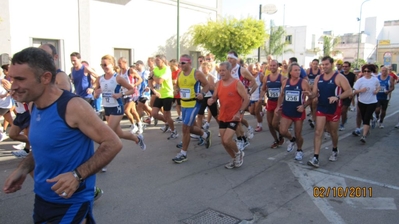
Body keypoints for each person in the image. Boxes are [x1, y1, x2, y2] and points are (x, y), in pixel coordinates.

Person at [3, 47, 123, 223]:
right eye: (13, 79)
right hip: (43, 198)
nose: (13, 86)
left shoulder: (73, 106)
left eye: (20, 79)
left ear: (45, 78)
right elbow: (43, 148)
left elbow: (113, 143)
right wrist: (23, 168)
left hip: (70, 202)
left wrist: (77, 175)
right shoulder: (35, 104)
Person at [305, 56, 352, 168]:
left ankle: (335, 149)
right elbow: (315, 93)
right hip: (321, 107)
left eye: (326, 64)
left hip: (334, 108)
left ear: (332, 64)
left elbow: (349, 91)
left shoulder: (339, 77)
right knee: (318, 132)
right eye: (323, 64)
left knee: (333, 132)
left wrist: (338, 97)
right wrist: (309, 94)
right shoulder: (318, 78)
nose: (324, 66)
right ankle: (315, 157)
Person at [94, 55, 146, 153]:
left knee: (107, 133)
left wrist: (121, 94)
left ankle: (103, 159)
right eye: (102, 65)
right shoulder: (100, 78)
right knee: (120, 133)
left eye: (105, 65)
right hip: (107, 108)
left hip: (117, 108)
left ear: (112, 65)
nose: (104, 67)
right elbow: (96, 94)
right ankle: (137, 138)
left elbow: (131, 89)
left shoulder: (117, 78)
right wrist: (96, 94)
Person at [208, 62, 249, 169]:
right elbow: (215, 96)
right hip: (223, 115)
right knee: (223, 142)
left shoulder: (237, 83)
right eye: (220, 70)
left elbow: (246, 99)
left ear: (230, 71)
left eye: (223, 70)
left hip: (234, 116)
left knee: (227, 139)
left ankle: (239, 153)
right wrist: (211, 100)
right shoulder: (218, 83)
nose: (221, 72)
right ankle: (234, 158)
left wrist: (239, 112)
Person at [172, 54, 211, 163]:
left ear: (189, 63)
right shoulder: (180, 74)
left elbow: (207, 85)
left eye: (183, 63)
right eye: (180, 63)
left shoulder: (196, 73)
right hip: (184, 104)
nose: (180, 65)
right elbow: (178, 86)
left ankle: (183, 153)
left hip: (194, 104)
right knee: (190, 128)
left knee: (185, 128)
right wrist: (176, 90)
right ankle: (205, 134)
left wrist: (202, 93)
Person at [276, 62, 311, 160]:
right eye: (295, 70)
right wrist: (278, 106)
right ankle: (292, 139)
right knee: (282, 131)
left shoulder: (303, 82)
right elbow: (281, 95)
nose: (298, 72)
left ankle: (299, 150)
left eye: (299, 70)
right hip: (287, 111)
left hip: (298, 112)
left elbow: (311, 97)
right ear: (290, 72)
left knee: (298, 133)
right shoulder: (285, 82)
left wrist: (304, 106)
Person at [149, 55, 178, 139]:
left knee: (167, 115)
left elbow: (160, 80)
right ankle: (167, 123)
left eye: (158, 60)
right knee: (154, 113)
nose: (156, 61)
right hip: (159, 94)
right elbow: (150, 81)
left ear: (163, 61)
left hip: (167, 95)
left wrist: (153, 75)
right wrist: (153, 90)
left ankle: (174, 131)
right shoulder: (155, 69)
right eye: (155, 60)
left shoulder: (167, 69)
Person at [260, 59, 287, 148]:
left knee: (275, 123)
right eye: (271, 66)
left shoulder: (282, 78)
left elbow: (284, 92)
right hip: (270, 102)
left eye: (274, 65)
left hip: (279, 103)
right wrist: (261, 98)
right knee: (270, 124)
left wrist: (280, 104)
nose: (272, 67)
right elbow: (263, 89)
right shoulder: (266, 78)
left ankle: (282, 134)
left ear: (278, 66)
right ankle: (276, 140)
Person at [352, 64, 380, 143]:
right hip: (362, 102)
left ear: (372, 71)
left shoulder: (375, 80)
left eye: (368, 71)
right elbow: (354, 91)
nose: (366, 73)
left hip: (372, 102)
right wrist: (361, 91)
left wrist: (376, 91)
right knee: (364, 117)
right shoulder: (360, 80)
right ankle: (369, 125)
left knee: (366, 118)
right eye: (365, 71)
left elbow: (378, 86)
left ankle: (363, 136)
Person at [339, 61, 357, 131]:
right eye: (343, 66)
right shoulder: (340, 75)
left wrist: (352, 93)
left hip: (348, 95)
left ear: (349, 67)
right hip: (340, 94)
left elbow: (355, 86)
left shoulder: (353, 75)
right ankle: (344, 119)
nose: (345, 68)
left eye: (346, 66)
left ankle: (342, 124)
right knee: (341, 111)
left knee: (343, 110)